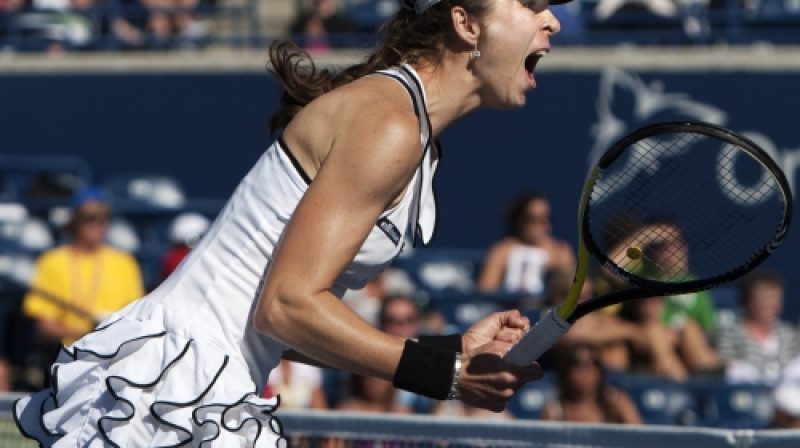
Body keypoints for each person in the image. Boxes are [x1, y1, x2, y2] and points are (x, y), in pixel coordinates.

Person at [14, 0, 565, 445]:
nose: (553, 22)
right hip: (176, 387)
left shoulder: (410, 135)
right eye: (533, 4)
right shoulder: (389, 123)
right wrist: (444, 377)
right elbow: (286, 308)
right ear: (465, 24)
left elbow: (275, 324)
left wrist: (450, 351)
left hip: (199, 383)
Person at [21, 186, 145, 347]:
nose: (99, 223)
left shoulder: (125, 262)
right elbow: (45, 325)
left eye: (105, 217)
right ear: (74, 220)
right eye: (90, 217)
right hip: (67, 354)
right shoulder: (51, 261)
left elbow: (136, 317)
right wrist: (83, 336)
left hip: (115, 351)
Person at [477, 192, 575, 297]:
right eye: (532, 218)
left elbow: (573, 289)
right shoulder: (502, 250)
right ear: (519, 220)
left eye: (546, 217)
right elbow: (486, 290)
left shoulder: (560, 250)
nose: (540, 224)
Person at [716, 270, 799, 385]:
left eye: (777, 299)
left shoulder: (788, 332)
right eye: (767, 298)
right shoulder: (731, 335)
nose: (774, 305)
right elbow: (727, 367)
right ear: (749, 302)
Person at [540, 342, 642, 424]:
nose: (588, 370)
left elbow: (638, 438)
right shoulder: (554, 411)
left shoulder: (616, 401)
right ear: (566, 371)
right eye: (578, 363)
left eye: (595, 363)